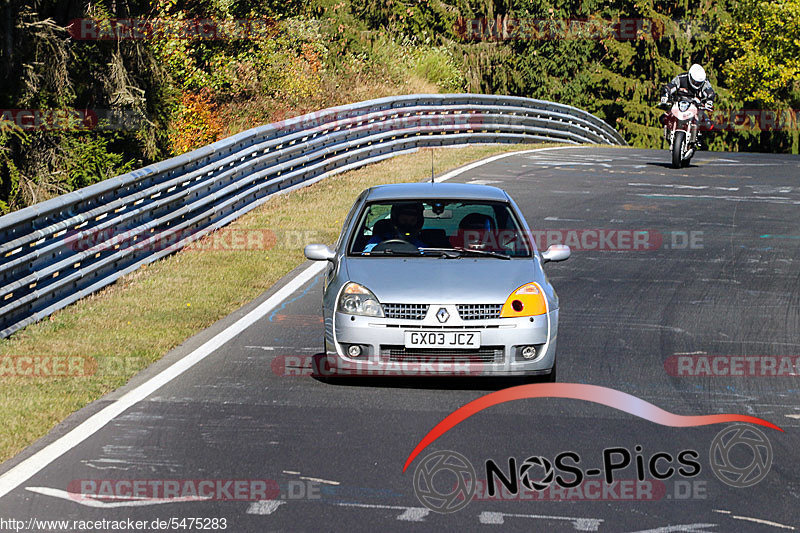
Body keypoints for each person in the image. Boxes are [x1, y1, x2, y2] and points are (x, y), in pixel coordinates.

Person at [659, 63, 716, 136]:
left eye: (699, 83)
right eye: (695, 81)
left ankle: (698, 136)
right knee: (663, 118)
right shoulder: (681, 78)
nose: (696, 84)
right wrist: (665, 94)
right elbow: (671, 85)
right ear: (690, 76)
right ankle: (668, 130)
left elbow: (709, 92)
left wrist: (709, 101)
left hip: (696, 104)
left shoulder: (705, 82)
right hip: (679, 102)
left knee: (708, 125)